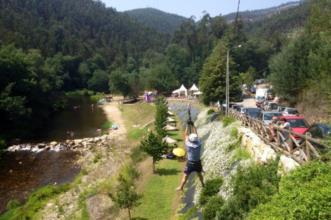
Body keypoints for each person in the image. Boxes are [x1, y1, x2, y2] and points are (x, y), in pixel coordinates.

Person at [176, 123, 204, 191]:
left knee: (185, 176)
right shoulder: (199, 143)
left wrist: (188, 126)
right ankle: (203, 184)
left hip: (190, 164)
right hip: (198, 163)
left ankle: (181, 187)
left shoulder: (188, 145)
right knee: (200, 175)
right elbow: (196, 134)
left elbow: (185, 134)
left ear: (190, 140)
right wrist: (193, 125)